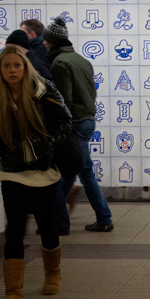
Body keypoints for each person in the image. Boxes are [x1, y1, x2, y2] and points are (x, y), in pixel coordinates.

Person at [0, 47, 71, 299]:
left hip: (44, 172)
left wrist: (49, 146)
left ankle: (53, 275)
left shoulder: (43, 89)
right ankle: (13, 292)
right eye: (6, 66)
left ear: (25, 67)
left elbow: (65, 122)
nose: (12, 71)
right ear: (0, 69)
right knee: (14, 229)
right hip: (12, 173)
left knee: (47, 225)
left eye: (17, 65)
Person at [43, 16, 115, 232]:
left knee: (84, 171)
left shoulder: (59, 63)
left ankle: (104, 218)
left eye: (46, 41)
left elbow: (63, 99)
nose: (44, 45)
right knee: (70, 169)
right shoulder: (82, 60)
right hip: (88, 120)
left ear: (53, 42)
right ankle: (57, 216)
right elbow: (92, 92)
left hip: (75, 123)